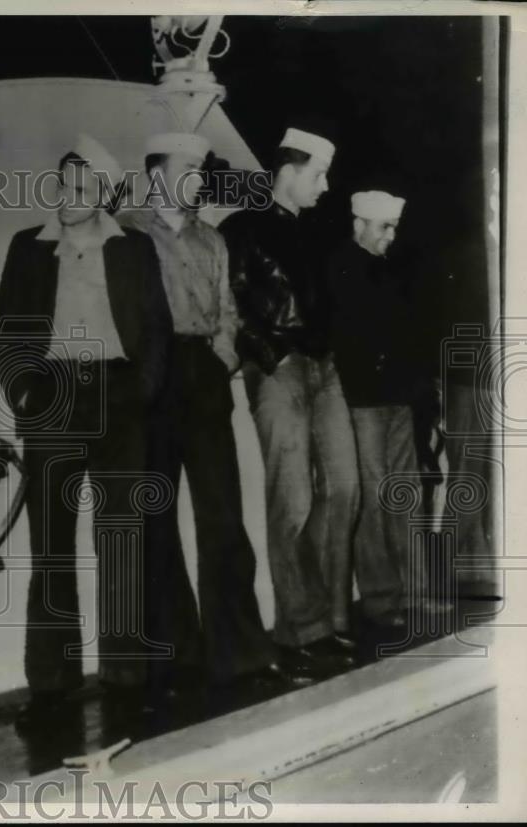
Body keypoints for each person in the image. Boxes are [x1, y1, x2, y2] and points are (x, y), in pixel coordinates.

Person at [0, 135, 173, 733]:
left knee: (122, 542)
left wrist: (139, 394)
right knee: (52, 548)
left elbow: (155, 330)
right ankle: (51, 688)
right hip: (54, 396)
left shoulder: (135, 249)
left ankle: (126, 682)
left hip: (118, 395)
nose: (69, 195)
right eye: (64, 183)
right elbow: (5, 332)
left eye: (84, 186)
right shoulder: (27, 248)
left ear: (104, 195)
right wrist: (24, 394)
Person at [118, 133, 305, 696]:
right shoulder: (126, 232)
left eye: (202, 170)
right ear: (157, 175)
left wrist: (221, 352)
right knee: (154, 519)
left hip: (202, 372)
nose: (200, 179)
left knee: (223, 515)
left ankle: (242, 655)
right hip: (150, 373)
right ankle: (176, 660)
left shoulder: (211, 238)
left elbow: (226, 308)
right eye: (190, 169)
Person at [219, 127, 359, 676]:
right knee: (294, 498)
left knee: (345, 487)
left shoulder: (315, 233)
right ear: (291, 170)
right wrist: (269, 355)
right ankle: (298, 631)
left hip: (325, 369)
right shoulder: (241, 227)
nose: (325, 187)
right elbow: (227, 301)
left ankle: (323, 621)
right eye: (319, 175)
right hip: (279, 368)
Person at [327, 190, 443, 628]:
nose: (390, 236)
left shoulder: (390, 269)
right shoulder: (341, 266)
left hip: (398, 399)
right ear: (359, 224)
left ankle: (416, 594)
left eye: (394, 227)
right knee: (376, 501)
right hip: (364, 400)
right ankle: (381, 600)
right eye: (383, 227)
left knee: (407, 497)